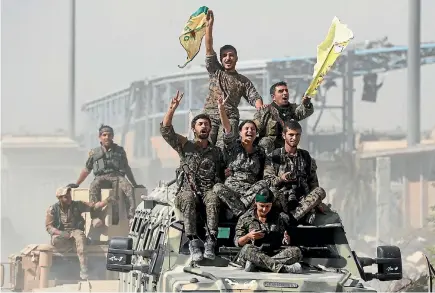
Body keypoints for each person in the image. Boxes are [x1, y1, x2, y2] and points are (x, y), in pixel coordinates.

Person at [160, 90, 223, 262]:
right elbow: (166, 131)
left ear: (210, 129)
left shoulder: (216, 152)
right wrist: (171, 110)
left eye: (206, 124)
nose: (204, 126)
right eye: (200, 124)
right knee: (187, 198)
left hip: (207, 191)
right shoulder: (185, 146)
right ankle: (193, 241)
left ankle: (211, 241)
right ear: (194, 128)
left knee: (213, 198)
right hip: (186, 191)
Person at [203, 9, 264, 148]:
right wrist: (209, 26)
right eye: (224, 55)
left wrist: (261, 107)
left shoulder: (243, 80)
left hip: (230, 118)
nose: (228, 58)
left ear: (236, 58)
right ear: (220, 59)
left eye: (231, 55)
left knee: (226, 147)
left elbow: (254, 97)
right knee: (206, 147)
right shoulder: (215, 71)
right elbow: (208, 47)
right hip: (210, 116)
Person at [263, 120, 341, 226]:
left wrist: (316, 203)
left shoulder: (306, 157)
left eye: (297, 135)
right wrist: (281, 178)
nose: (294, 138)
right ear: (283, 135)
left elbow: (313, 183)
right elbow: (267, 182)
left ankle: (292, 218)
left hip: (302, 202)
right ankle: (296, 217)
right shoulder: (274, 156)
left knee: (319, 191)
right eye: (291, 135)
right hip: (280, 200)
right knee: (269, 190)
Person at [71, 124, 143, 225]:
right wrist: (77, 184)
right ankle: (95, 217)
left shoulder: (120, 151)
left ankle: (131, 217)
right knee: (93, 186)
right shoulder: (94, 153)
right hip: (101, 177)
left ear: (113, 136)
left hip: (117, 176)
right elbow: (87, 169)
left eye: (109, 135)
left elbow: (126, 168)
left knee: (128, 188)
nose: (107, 137)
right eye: (104, 135)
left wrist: (134, 183)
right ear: (100, 137)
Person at [213, 95, 268, 217]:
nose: (250, 131)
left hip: (250, 193)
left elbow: (262, 175)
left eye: (253, 129)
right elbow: (227, 129)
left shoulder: (260, 152)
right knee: (217, 187)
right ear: (240, 132)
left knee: (264, 184)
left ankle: (238, 210)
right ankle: (243, 214)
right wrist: (221, 109)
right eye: (246, 129)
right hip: (232, 190)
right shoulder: (232, 146)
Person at [45, 186, 109, 279]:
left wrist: (107, 201)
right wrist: (60, 233)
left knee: (81, 241)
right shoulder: (53, 209)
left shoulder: (77, 205)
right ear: (60, 198)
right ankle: (73, 247)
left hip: (75, 230)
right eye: (66, 197)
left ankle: (84, 269)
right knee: (56, 241)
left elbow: (94, 206)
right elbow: (49, 227)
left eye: (69, 196)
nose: (69, 199)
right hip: (61, 233)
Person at [234, 188, 303, 273]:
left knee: (296, 251)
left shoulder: (277, 217)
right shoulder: (245, 218)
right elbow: (238, 242)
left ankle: (257, 265)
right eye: (262, 206)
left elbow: (282, 239)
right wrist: (248, 236)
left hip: (271, 253)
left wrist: (286, 239)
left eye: (267, 206)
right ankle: (282, 268)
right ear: (256, 202)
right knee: (247, 249)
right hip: (253, 253)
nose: (264, 209)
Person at [253, 81, 314, 154]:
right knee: (265, 141)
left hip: (287, 150)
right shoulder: (265, 111)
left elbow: (303, 112)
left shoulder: (293, 109)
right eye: (280, 91)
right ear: (273, 97)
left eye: (286, 90)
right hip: (270, 152)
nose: (285, 93)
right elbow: (254, 129)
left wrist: (306, 103)